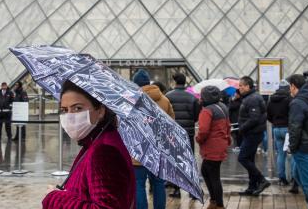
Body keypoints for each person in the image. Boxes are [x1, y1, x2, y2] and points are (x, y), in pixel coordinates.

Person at [43, 80, 135, 208]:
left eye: (77, 108)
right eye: (65, 110)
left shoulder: (104, 151)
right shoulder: (95, 141)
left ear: (100, 111)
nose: (70, 116)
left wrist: (55, 197)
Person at [132, 69, 174, 209]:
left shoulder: (133, 100)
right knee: (158, 183)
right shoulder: (165, 100)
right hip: (159, 150)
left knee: (139, 184)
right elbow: (171, 124)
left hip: (139, 150)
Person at [287, 74, 308, 209]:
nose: (290, 89)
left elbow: (295, 127)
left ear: (294, 86)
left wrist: (292, 147)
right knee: (296, 174)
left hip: (303, 146)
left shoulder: (297, 102)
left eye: (290, 86)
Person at [165, 72, 200, 198]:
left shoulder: (168, 96)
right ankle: (193, 191)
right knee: (189, 161)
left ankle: (177, 190)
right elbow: (196, 116)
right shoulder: (192, 98)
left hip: (174, 133)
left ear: (175, 82)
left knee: (175, 160)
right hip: (188, 132)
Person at [196, 86, 231, 209]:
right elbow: (228, 126)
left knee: (213, 175)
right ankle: (214, 200)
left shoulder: (207, 111)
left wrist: (198, 139)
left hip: (212, 147)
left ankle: (218, 203)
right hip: (220, 144)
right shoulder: (223, 107)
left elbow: (203, 131)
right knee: (206, 171)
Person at [236, 76, 270, 196]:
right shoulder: (250, 97)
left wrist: (242, 128)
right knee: (249, 159)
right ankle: (252, 186)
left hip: (252, 133)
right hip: (252, 133)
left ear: (247, 86)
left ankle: (262, 180)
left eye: (241, 85)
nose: (239, 88)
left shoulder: (252, 99)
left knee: (242, 158)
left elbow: (254, 118)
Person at [267, 79, 291, 186]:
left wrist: (275, 122)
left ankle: (281, 178)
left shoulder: (272, 99)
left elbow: (268, 115)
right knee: (291, 154)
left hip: (276, 128)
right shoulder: (289, 99)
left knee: (281, 154)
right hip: (288, 129)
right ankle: (293, 178)